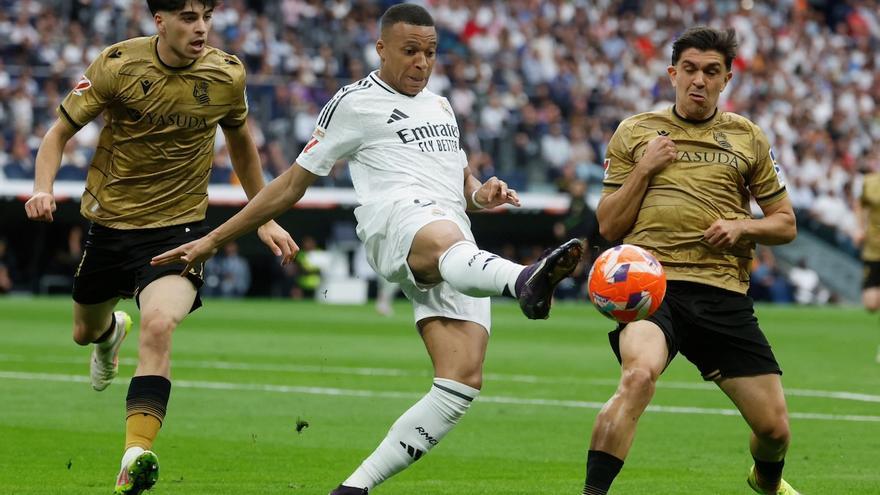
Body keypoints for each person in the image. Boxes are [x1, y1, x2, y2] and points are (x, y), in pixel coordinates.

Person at [151, 4, 583, 494]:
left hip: (451, 238)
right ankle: (523, 279)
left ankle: (355, 487)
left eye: (430, 53)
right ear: (381, 48)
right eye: (410, 51)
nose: (422, 62)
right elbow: (291, 184)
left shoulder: (442, 106)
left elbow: (460, 184)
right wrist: (214, 238)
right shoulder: (353, 103)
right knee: (448, 239)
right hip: (393, 223)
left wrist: (481, 194)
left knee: (460, 381)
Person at [23, 2, 297, 494]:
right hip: (110, 227)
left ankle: (135, 455)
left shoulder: (226, 74)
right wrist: (42, 188)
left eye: (206, 16)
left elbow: (242, 146)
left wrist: (264, 217)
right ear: (160, 22)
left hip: (178, 231)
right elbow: (58, 133)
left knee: (158, 324)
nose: (201, 27)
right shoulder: (117, 64)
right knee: (84, 333)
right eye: (189, 17)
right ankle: (109, 333)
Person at [582, 27, 800, 495]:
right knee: (637, 377)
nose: (699, 80)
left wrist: (742, 227)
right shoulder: (635, 131)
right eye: (690, 69)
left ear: (726, 79)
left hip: (723, 291)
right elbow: (609, 225)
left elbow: (786, 224)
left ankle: (766, 482)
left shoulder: (748, 137)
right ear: (672, 74)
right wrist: (645, 168)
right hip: (652, 287)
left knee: (774, 430)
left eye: (711, 71)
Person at [853, 169, 880, 361]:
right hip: (872, 249)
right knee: (871, 304)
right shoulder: (869, 183)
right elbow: (860, 205)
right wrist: (859, 228)